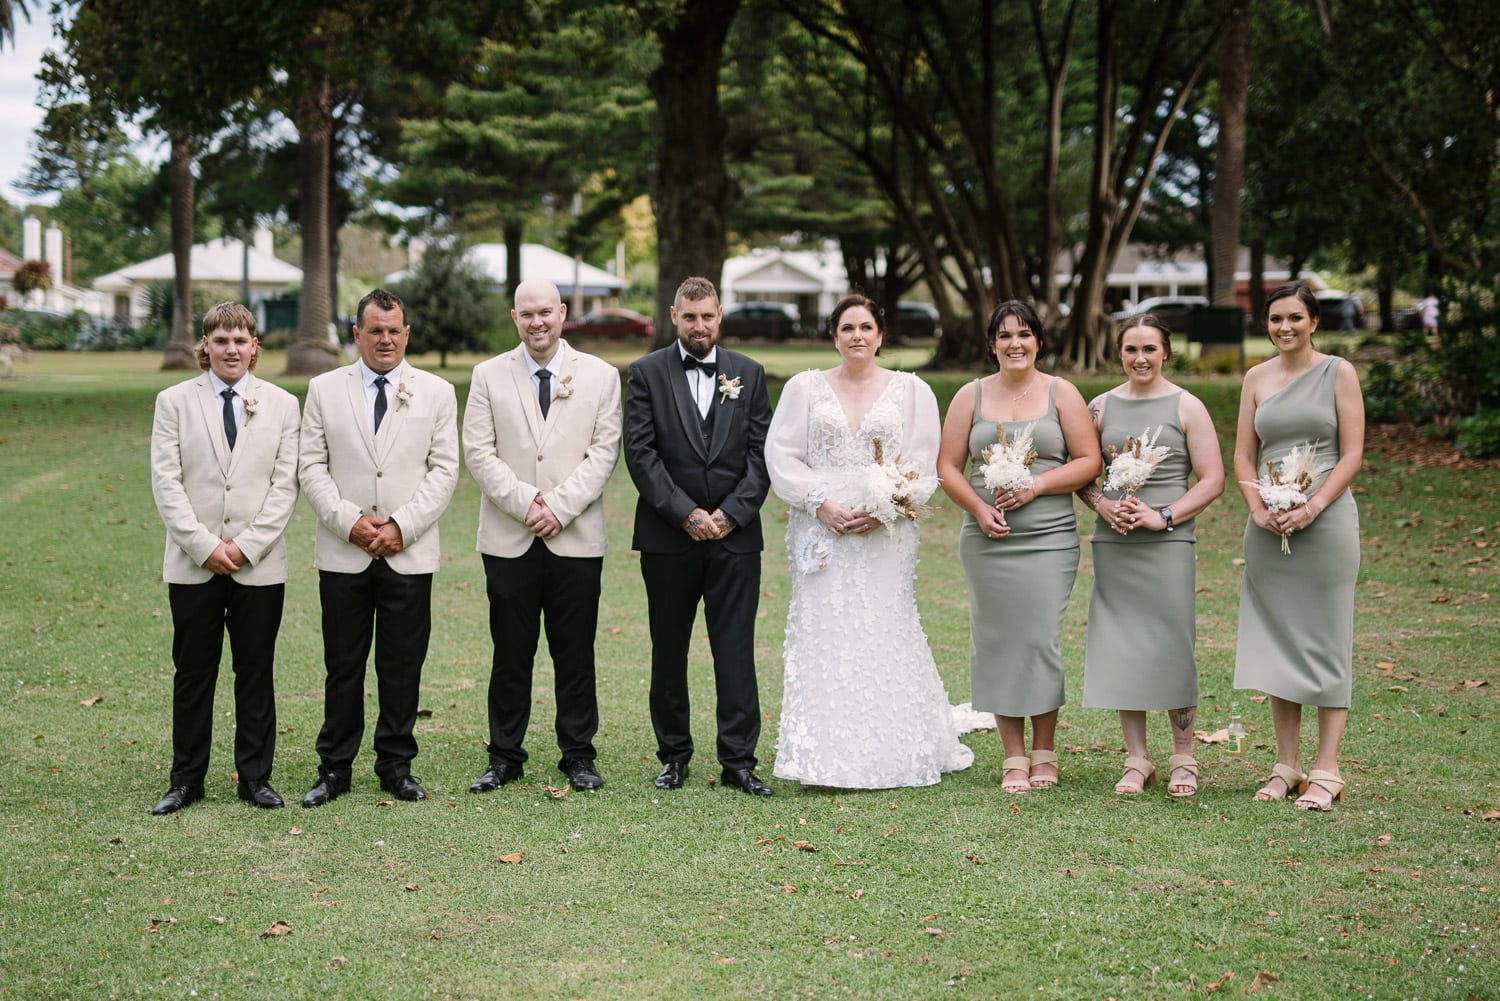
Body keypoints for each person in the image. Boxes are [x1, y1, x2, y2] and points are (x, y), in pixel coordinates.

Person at [765, 294, 973, 789]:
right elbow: (781, 455)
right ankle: (824, 753)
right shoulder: (804, 387)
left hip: (887, 532)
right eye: (846, 327)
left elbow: (924, 462)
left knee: (883, 624)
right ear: (833, 335)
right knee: (826, 628)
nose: (857, 335)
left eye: (866, 327)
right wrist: (817, 501)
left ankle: (893, 748)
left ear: (880, 335)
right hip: (822, 529)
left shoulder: (912, 391)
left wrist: (886, 511)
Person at [298, 288, 459, 806]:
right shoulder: (324, 389)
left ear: (406, 334)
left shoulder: (435, 392)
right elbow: (312, 467)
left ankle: (396, 764)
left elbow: (444, 470)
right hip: (344, 551)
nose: (385, 339)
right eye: (375, 330)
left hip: (407, 551)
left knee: (402, 662)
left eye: (394, 330)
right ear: (356, 334)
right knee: (343, 663)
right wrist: (351, 524)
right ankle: (334, 768)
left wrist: (400, 526)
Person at [463, 279, 621, 794]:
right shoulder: (488, 375)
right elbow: (479, 453)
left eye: (545, 313)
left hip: (574, 538)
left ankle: (578, 755)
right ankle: (504, 756)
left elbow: (604, 453)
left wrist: (558, 506)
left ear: (562, 313)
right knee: (510, 652)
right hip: (510, 538)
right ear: (514, 318)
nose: (537, 323)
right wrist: (528, 504)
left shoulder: (600, 376)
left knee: (574, 652)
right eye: (526, 314)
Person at [937, 300, 1100, 794]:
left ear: (1039, 342)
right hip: (988, 538)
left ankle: (1045, 750)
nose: (1015, 344)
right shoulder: (970, 396)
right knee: (997, 640)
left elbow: (1089, 459)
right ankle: (1013, 754)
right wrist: (979, 509)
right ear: (992, 344)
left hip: (1048, 538)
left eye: (1024, 334)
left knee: (1038, 639)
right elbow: (947, 466)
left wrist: (1037, 486)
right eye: (1005, 335)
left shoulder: (1061, 392)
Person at [623, 276, 775, 796]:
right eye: (690, 317)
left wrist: (731, 514)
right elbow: (641, 456)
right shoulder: (644, 374)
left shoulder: (749, 375)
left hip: (735, 540)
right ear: (673, 316)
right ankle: (673, 755)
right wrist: (687, 514)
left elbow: (761, 455)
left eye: (707, 316)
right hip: (669, 539)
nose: (699, 326)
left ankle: (738, 760)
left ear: (720, 315)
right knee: (668, 648)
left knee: (734, 649)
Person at [147, 302, 300, 814]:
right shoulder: (173, 402)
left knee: (255, 672)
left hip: (259, 565)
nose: (230, 349)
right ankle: (187, 778)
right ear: (205, 347)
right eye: (220, 340)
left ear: (255, 346)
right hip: (194, 563)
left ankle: (255, 777)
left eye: (240, 340)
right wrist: (206, 546)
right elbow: (166, 484)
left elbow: (285, 486)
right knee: (194, 673)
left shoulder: (281, 404)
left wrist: (245, 546)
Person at [1076, 315, 1224, 797]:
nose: (1140, 358)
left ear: (1166, 352)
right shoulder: (1099, 407)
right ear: (1118, 353)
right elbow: (1081, 471)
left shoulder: (1188, 406)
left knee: (1171, 642)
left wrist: (1166, 514)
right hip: (1114, 543)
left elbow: (1212, 480)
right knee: (1122, 643)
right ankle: (1137, 757)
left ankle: (1183, 755)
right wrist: (1102, 504)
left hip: (1167, 543)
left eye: (1149, 349)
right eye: (1130, 349)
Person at [1234, 281, 1364, 811]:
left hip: (1326, 522)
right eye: (1275, 319)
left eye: (1294, 318)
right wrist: (1258, 508)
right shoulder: (1255, 378)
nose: (1284, 328)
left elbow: (1352, 452)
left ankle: (1327, 769)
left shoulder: (1339, 372)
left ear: (1314, 322)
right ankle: (1286, 764)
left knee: (1326, 639)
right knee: (1278, 641)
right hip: (1267, 526)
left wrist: (1313, 506)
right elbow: (1244, 455)